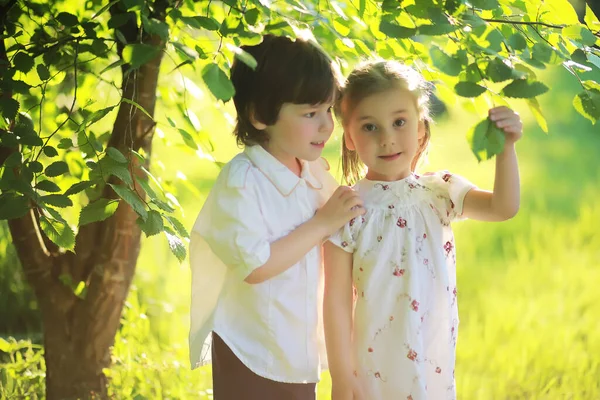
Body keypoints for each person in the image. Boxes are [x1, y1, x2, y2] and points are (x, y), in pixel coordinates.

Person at [323, 59, 522, 400]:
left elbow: (502, 208)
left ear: (420, 129)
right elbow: (336, 303)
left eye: (399, 122)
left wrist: (506, 149)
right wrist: (342, 378)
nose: (387, 139)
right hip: (373, 364)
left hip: (432, 357)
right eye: (370, 127)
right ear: (350, 137)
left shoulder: (440, 192)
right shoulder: (346, 209)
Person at [188, 34, 365, 400]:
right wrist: (320, 225)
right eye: (309, 113)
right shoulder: (243, 181)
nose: (325, 125)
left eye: (328, 110)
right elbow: (254, 266)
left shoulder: (311, 171)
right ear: (259, 115)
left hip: (297, 345)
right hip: (253, 349)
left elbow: (345, 219)